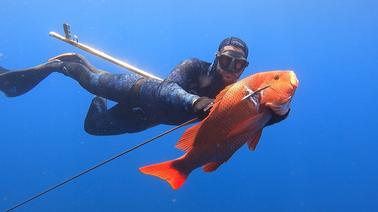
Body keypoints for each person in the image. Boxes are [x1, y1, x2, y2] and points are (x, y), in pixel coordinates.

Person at [0, 37, 288, 135]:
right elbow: (166, 90)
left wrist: (277, 114)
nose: (232, 71)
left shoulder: (233, 93)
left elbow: (249, 120)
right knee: (89, 80)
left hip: (150, 118)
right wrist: (195, 102)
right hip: (141, 91)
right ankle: (65, 64)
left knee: (94, 127)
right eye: (228, 61)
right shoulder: (195, 67)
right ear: (216, 59)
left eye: (240, 66)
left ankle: (94, 87)